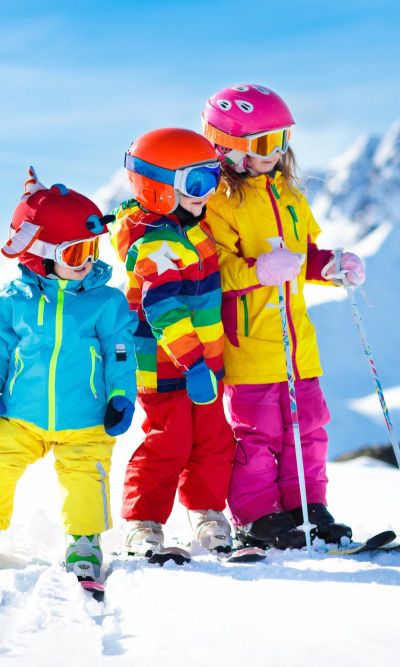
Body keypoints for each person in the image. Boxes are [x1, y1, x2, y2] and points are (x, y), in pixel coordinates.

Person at [201, 84, 367, 549]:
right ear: (225, 147)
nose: (274, 154)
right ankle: (257, 515)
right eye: (261, 145)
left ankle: (306, 507)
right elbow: (212, 271)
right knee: (258, 437)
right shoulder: (217, 203)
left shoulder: (291, 197)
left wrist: (331, 266)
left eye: (281, 140)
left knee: (308, 431)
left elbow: (304, 256)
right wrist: (258, 270)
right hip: (249, 342)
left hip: (298, 344)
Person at [0, 167, 137, 596]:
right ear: (40, 255)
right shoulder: (12, 301)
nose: (88, 262)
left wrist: (119, 396)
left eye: (91, 250)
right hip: (22, 411)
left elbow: (119, 351)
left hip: (85, 414)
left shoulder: (106, 301)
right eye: (76, 255)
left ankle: (84, 544)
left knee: (86, 478)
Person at [111, 128, 236, 555]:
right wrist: (194, 364)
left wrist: (211, 359)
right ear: (159, 189)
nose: (208, 192)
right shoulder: (156, 244)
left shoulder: (193, 229)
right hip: (167, 366)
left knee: (215, 439)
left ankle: (206, 510)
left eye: (212, 178)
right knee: (170, 440)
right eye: (196, 183)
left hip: (205, 362)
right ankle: (143, 520)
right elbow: (164, 311)